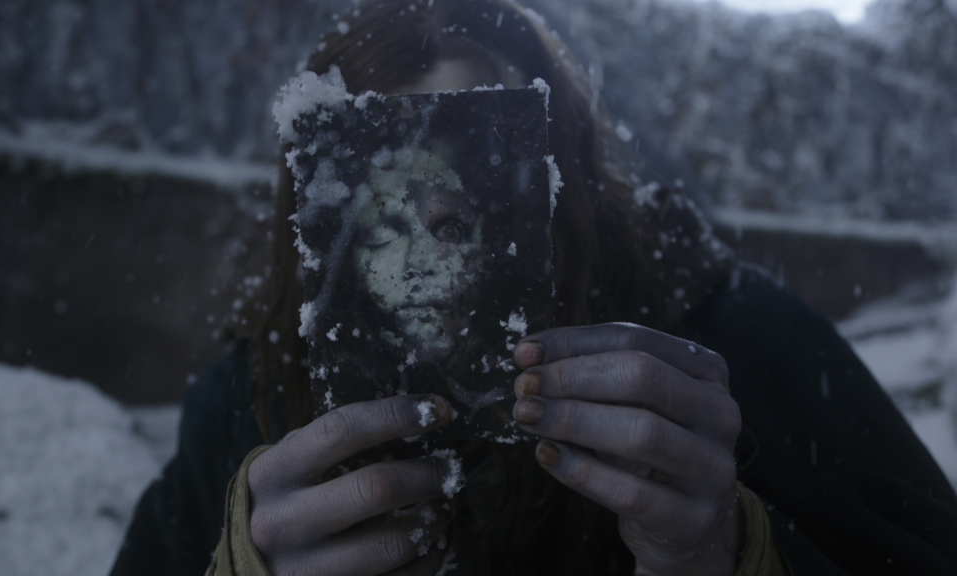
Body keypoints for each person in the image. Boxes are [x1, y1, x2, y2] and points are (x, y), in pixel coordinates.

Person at [109, 1, 957, 575]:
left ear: (561, 193)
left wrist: (735, 549)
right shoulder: (246, 402)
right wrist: (242, 563)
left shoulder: (731, 337)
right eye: (377, 229)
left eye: (459, 218)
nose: (416, 266)